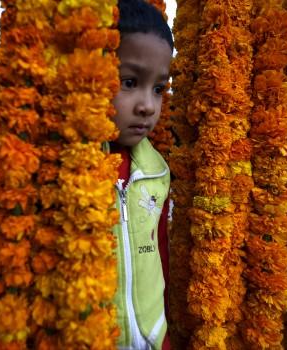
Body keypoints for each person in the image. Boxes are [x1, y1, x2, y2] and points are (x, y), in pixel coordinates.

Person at [108, 0, 173, 349]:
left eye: (159, 88)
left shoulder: (157, 171)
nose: (147, 105)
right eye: (129, 82)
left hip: (152, 337)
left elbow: (159, 254)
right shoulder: (68, 170)